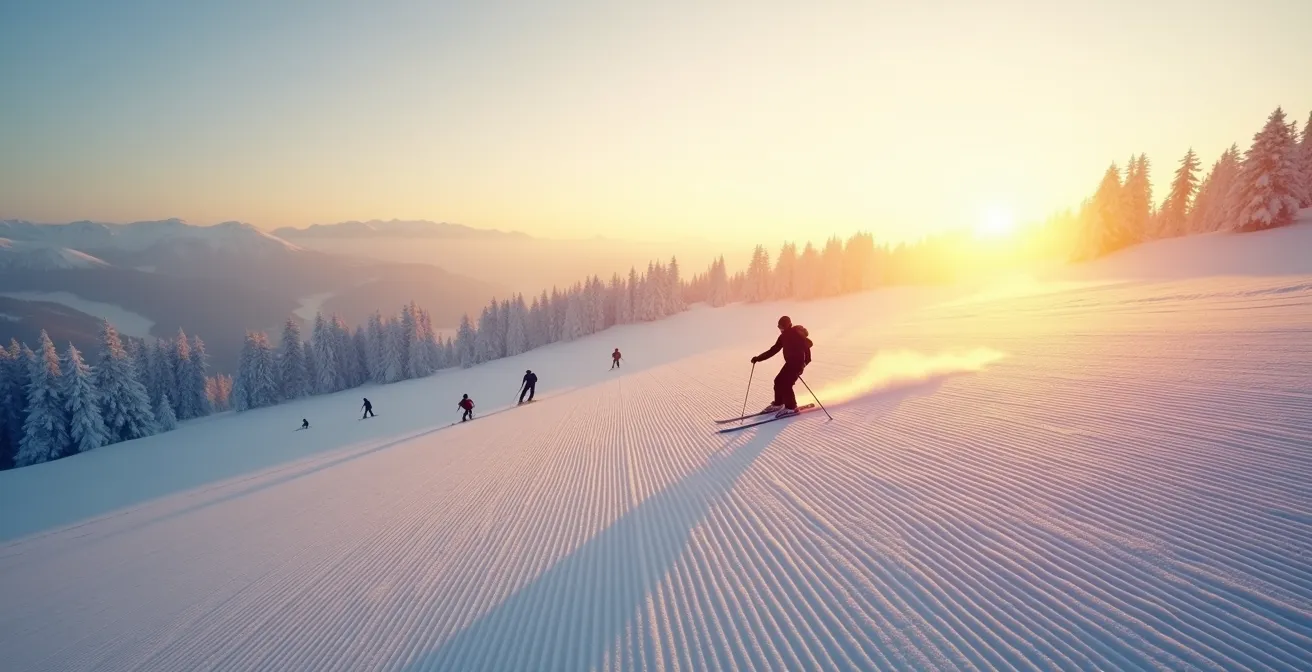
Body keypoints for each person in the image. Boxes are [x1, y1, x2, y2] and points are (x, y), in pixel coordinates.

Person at [750, 315, 812, 417]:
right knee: (778, 381)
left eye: (782, 327)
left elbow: (807, 348)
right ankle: (779, 404)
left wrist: (805, 363)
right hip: (790, 364)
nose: (780, 329)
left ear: (788, 325)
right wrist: (758, 358)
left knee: (786, 384)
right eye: (779, 327)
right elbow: (773, 350)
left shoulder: (796, 334)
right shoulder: (783, 336)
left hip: (797, 364)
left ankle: (792, 408)